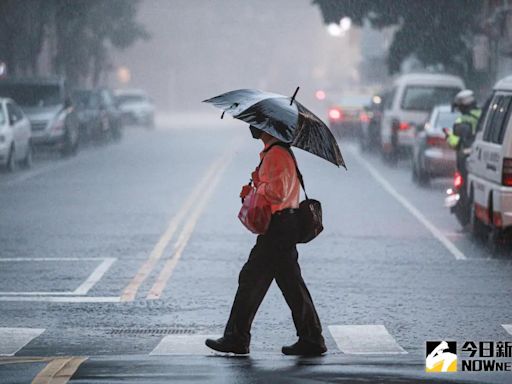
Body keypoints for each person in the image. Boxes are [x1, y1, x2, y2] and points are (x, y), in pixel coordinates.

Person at [205, 125, 327, 356]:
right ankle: (311, 338)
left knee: (252, 279)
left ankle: (237, 338)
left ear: (268, 128)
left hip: (279, 227)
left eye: (257, 124)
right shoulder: (275, 153)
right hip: (283, 225)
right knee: (288, 284)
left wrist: (257, 187)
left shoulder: (277, 154)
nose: (252, 127)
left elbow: (277, 192)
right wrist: (257, 182)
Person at [445, 89, 482, 178]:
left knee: (463, 185)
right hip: (480, 159)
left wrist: (448, 136)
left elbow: (455, 143)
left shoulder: (461, 121)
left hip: (465, 161)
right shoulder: (483, 115)